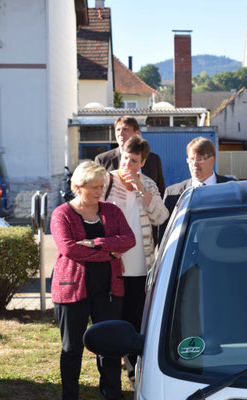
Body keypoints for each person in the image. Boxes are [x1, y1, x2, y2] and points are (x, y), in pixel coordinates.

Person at [50, 161, 136, 400]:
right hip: (71, 290)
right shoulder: (62, 214)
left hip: (108, 289)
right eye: (95, 187)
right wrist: (109, 251)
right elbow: (69, 250)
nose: (100, 191)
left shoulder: (111, 211)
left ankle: (112, 394)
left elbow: (128, 240)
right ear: (78, 187)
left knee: (109, 346)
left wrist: (95, 242)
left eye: (102, 186)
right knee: (71, 348)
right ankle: (70, 395)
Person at [103, 135, 168, 374]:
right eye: (125, 159)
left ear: (143, 162)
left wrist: (141, 190)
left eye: (133, 161)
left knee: (134, 324)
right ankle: (109, 381)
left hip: (141, 268)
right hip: (113, 267)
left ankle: (134, 376)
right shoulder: (106, 182)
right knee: (111, 324)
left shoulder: (148, 184)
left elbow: (161, 218)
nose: (127, 166)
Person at [160, 137, 236, 241]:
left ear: (212, 160)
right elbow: (165, 236)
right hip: (185, 255)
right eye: (191, 160)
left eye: (199, 159)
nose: (194, 165)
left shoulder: (231, 189)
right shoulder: (173, 194)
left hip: (223, 251)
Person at [94, 116, 166, 197]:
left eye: (125, 129)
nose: (120, 133)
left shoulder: (153, 159)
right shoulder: (102, 160)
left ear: (137, 133)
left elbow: (161, 191)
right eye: (118, 130)